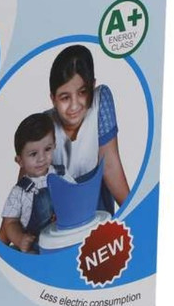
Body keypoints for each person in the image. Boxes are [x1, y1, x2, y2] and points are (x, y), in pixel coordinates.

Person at [47, 44, 129, 211]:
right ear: (53, 98)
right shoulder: (43, 124)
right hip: (59, 213)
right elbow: (25, 188)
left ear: (92, 86)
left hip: (96, 205)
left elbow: (110, 166)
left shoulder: (100, 101)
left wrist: (134, 213)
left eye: (82, 92)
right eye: (65, 97)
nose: (74, 106)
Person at [0, 113, 59, 253]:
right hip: (34, 244)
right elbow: (10, 223)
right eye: (33, 154)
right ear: (19, 161)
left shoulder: (61, 174)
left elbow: (75, 196)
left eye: (47, 149)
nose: (41, 158)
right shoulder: (19, 191)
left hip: (61, 238)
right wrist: (19, 239)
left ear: (55, 146)